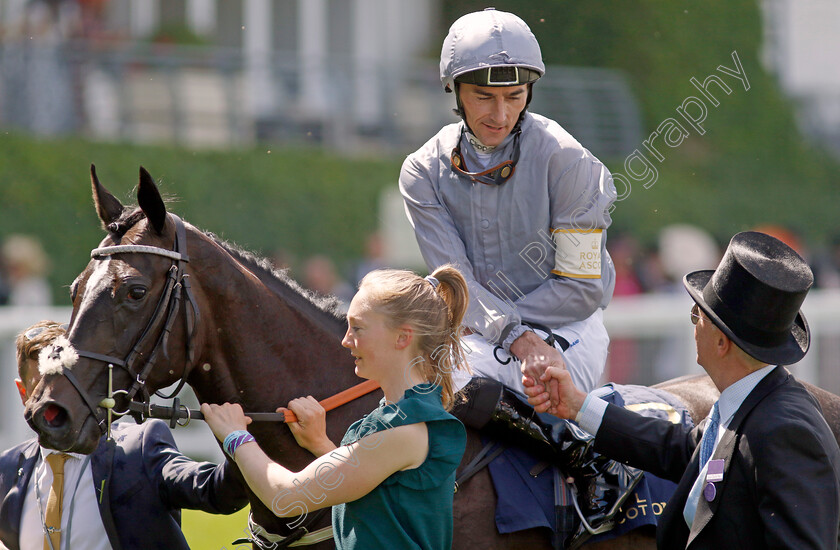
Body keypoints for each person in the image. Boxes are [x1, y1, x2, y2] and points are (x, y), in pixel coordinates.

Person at [398, 7, 637, 535]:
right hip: (483, 331)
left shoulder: (570, 162)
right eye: (484, 96)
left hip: (568, 331)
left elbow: (580, 292)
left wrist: (515, 333)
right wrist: (509, 333)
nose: (500, 113)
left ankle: (589, 462)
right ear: (455, 91)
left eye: (514, 95)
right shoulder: (421, 171)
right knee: (415, 386)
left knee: (465, 383)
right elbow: (453, 281)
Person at [525, 231, 840, 549]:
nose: (693, 326)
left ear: (721, 342)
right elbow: (678, 448)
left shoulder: (783, 431)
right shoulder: (749, 403)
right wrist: (578, 407)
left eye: (697, 316)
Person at [202, 266, 468, 550]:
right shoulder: (401, 415)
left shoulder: (404, 429)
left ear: (402, 338)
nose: (346, 340)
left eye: (358, 328)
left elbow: (284, 497)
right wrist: (322, 446)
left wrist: (235, 436)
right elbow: (374, 491)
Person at [0, 321, 249, 550]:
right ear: (23, 393)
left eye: (68, 384)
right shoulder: (7, 468)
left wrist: (238, 439)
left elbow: (218, 493)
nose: (57, 400)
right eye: (42, 388)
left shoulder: (138, 449)